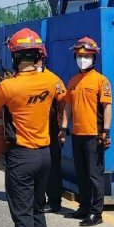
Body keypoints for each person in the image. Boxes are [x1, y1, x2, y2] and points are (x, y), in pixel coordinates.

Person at [0, 28, 67, 227]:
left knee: (21, 213)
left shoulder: (8, 87)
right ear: (38, 55)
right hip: (44, 154)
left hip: (22, 157)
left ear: (15, 57)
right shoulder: (52, 80)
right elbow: (63, 98)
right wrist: (62, 127)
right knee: (36, 208)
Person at [60, 37, 112, 227]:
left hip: (94, 134)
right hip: (78, 134)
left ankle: (96, 213)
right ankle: (84, 207)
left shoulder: (101, 81)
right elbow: (68, 106)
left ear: (94, 58)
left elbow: (107, 107)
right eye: (80, 56)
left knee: (94, 175)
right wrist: (63, 128)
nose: (83, 59)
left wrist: (105, 131)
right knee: (81, 173)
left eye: (87, 56)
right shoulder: (73, 81)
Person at [37, 48, 65, 213]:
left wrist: (62, 128)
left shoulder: (53, 80)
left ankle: (54, 201)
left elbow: (62, 104)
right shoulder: (25, 79)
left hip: (50, 129)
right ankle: (39, 198)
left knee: (53, 166)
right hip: (33, 130)